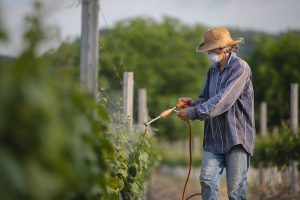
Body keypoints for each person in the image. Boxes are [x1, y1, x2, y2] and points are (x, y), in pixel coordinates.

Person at [176, 27, 256, 200]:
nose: (209, 54)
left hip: (237, 138)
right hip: (214, 138)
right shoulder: (212, 70)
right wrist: (194, 103)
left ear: (224, 49)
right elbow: (207, 98)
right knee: (207, 180)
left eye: (211, 50)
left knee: (236, 191)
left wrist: (192, 112)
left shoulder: (241, 68)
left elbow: (222, 101)